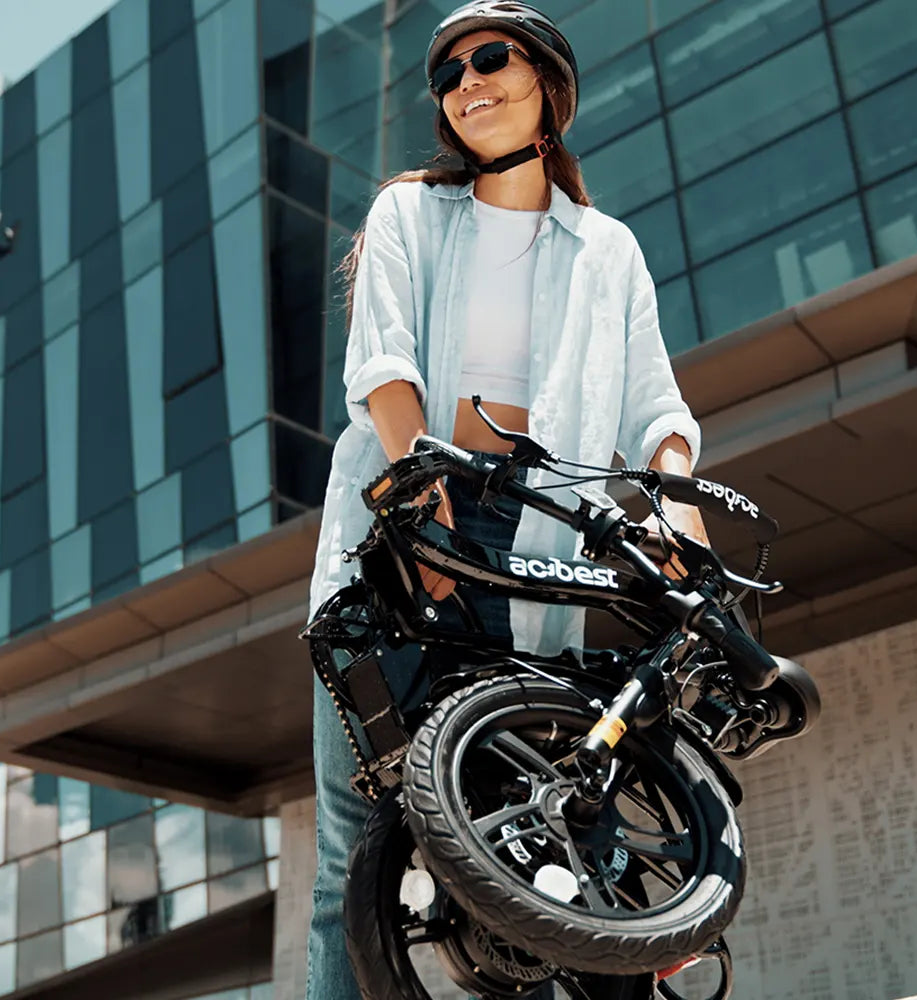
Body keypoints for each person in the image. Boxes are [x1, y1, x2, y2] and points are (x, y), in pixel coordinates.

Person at [305, 3, 707, 997]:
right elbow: (384, 362)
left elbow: (654, 403)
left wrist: (679, 507)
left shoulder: (603, 249)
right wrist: (418, 489)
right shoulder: (409, 212)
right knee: (357, 849)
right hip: (400, 536)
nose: (466, 82)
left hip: (534, 548)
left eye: (491, 59)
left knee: (523, 843)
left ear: (549, 88)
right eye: (447, 74)